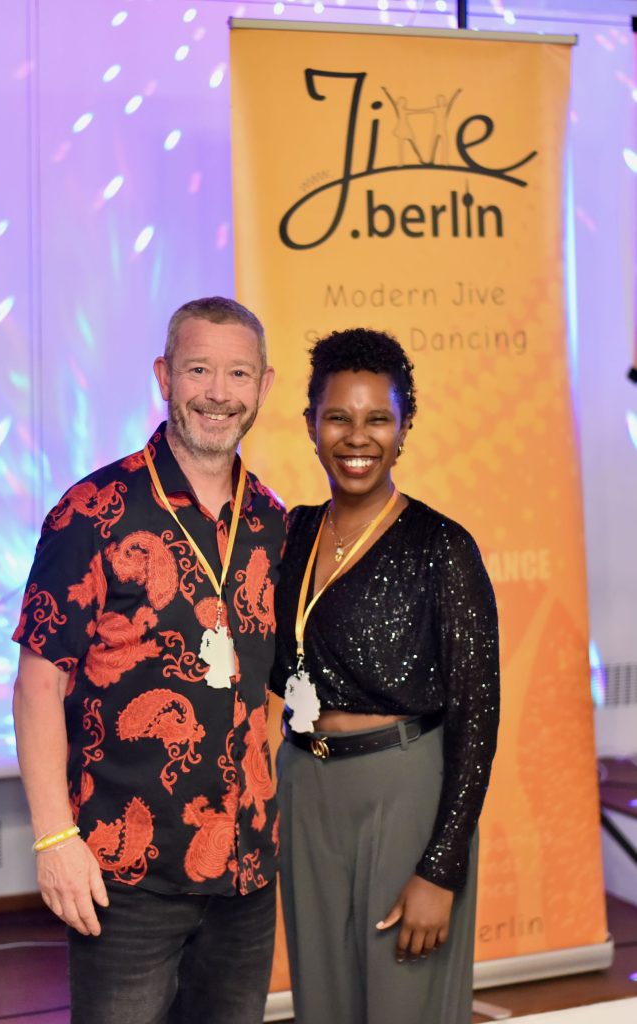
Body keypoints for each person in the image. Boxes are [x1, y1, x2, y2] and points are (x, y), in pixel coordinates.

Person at [12, 297, 287, 1024]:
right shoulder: (92, 510)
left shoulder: (271, 519)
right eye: (199, 370)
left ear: (264, 385)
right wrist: (54, 838)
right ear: (165, 376)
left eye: (238, 374)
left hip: (247, 878)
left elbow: (268, 685)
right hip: (123, 876)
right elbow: (38, 686)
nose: (218, 393)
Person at [271, 328, 499, 1024]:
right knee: (323, 1005)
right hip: (306, 787)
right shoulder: (291, 534)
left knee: (406, 1005)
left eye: (378, 419)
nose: (356, 437)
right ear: (310, 424)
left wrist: (442, 866)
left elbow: (478, 714)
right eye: (338, 417)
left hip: (404, 791)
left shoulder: (442, 546)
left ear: (403, 429)